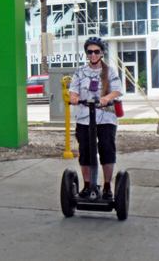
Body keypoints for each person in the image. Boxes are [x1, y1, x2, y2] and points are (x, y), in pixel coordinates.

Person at [69, 37, 123, 201]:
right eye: (90, 51)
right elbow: (73, 90)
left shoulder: (110, 71)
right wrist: (74, 97)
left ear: (102, 53)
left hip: (106, 116)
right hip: (85, 117)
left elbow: (116, 90)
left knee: (106, 148)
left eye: (96, 51)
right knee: (85, 150)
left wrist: (107, 98)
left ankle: (107, 186)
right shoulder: (80, 71)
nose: (93, 54)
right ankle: (87, 185)